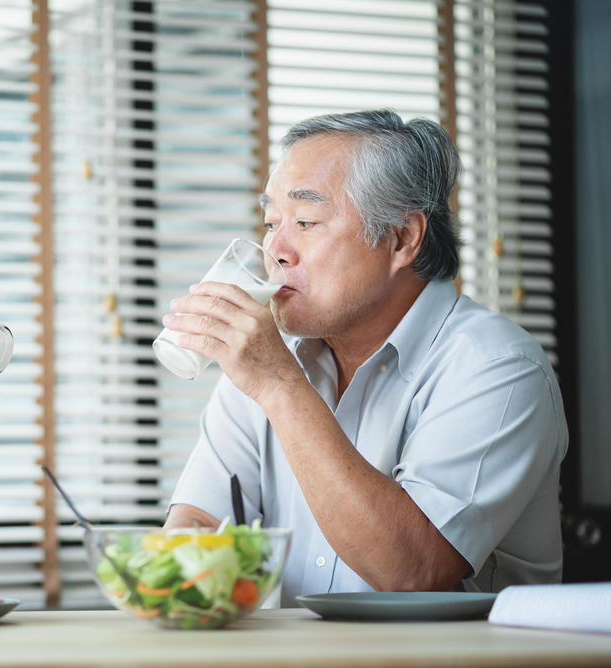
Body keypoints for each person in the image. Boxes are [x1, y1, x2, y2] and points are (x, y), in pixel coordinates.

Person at [163, 109, 568, 606]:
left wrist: (280, 388)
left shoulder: (497, 367)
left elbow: (413, 573)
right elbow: (201, 521)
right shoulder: (272, 360)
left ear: (402, 238)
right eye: (272, 222)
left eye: (307, 221)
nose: (276, 250)